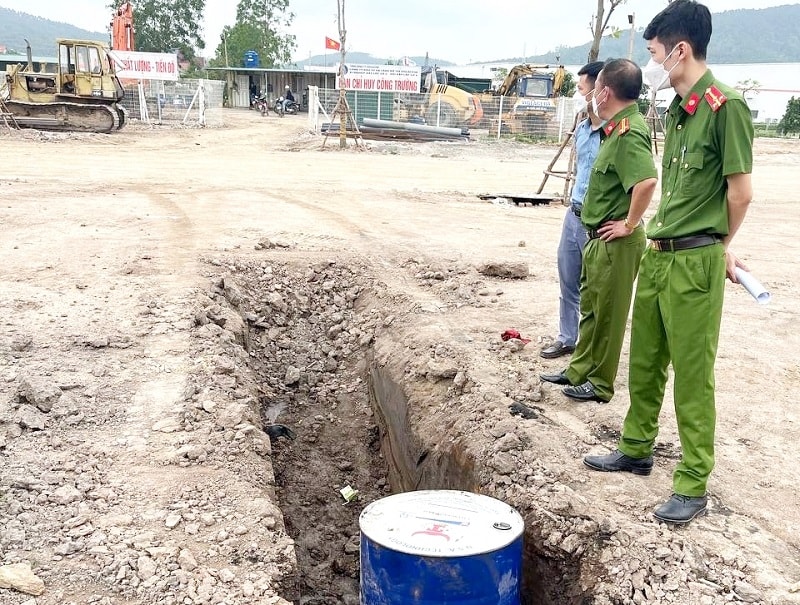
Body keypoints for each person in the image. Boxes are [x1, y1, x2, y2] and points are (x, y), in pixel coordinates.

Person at [583, 0, 754, 525]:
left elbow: (740, 192)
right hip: (659, 254)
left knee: (692, 375)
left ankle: (692, 480)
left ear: (680, 50)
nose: (651, 63)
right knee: (646, 361)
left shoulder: (726, 107)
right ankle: (635, 446)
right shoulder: (678, 113)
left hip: (695, 261)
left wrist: (721, 246)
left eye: (655, 53)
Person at [540, 59, 657, 403]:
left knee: (608, 316)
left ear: (604, 91)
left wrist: (630, 223)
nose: (589, 96)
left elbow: (647, 181)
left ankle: (601, 384)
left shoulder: (629, 131)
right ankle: (579, 370)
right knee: (591, 309)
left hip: (615, 241)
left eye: (593, 89)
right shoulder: (614, 127)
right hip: (596, 237)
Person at [541, 61, 605, 360]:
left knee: (595, 290)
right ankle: (568, 338)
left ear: (601, 90)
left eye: (582, 89)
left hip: (600, 223)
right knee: (568, 281)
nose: (580, 94)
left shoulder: (617, 133)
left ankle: (593, 350)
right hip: (575, 214)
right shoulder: (582, 128)